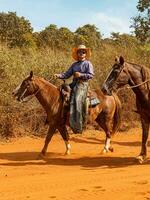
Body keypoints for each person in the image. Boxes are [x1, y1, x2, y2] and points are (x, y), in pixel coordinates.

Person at [55, 44, 94, 133]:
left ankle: (78, 126)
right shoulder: (74, 65)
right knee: (60, 90)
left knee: (76, 99)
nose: (81, 53)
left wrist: (81, 75)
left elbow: (91, 75)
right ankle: (62, 120)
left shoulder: (88, 63)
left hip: (83, 84)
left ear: (85, 54)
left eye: (83, 52)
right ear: (77, 54)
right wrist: (58, 75)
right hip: (74, 83)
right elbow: (66, 74)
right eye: (79, 52)